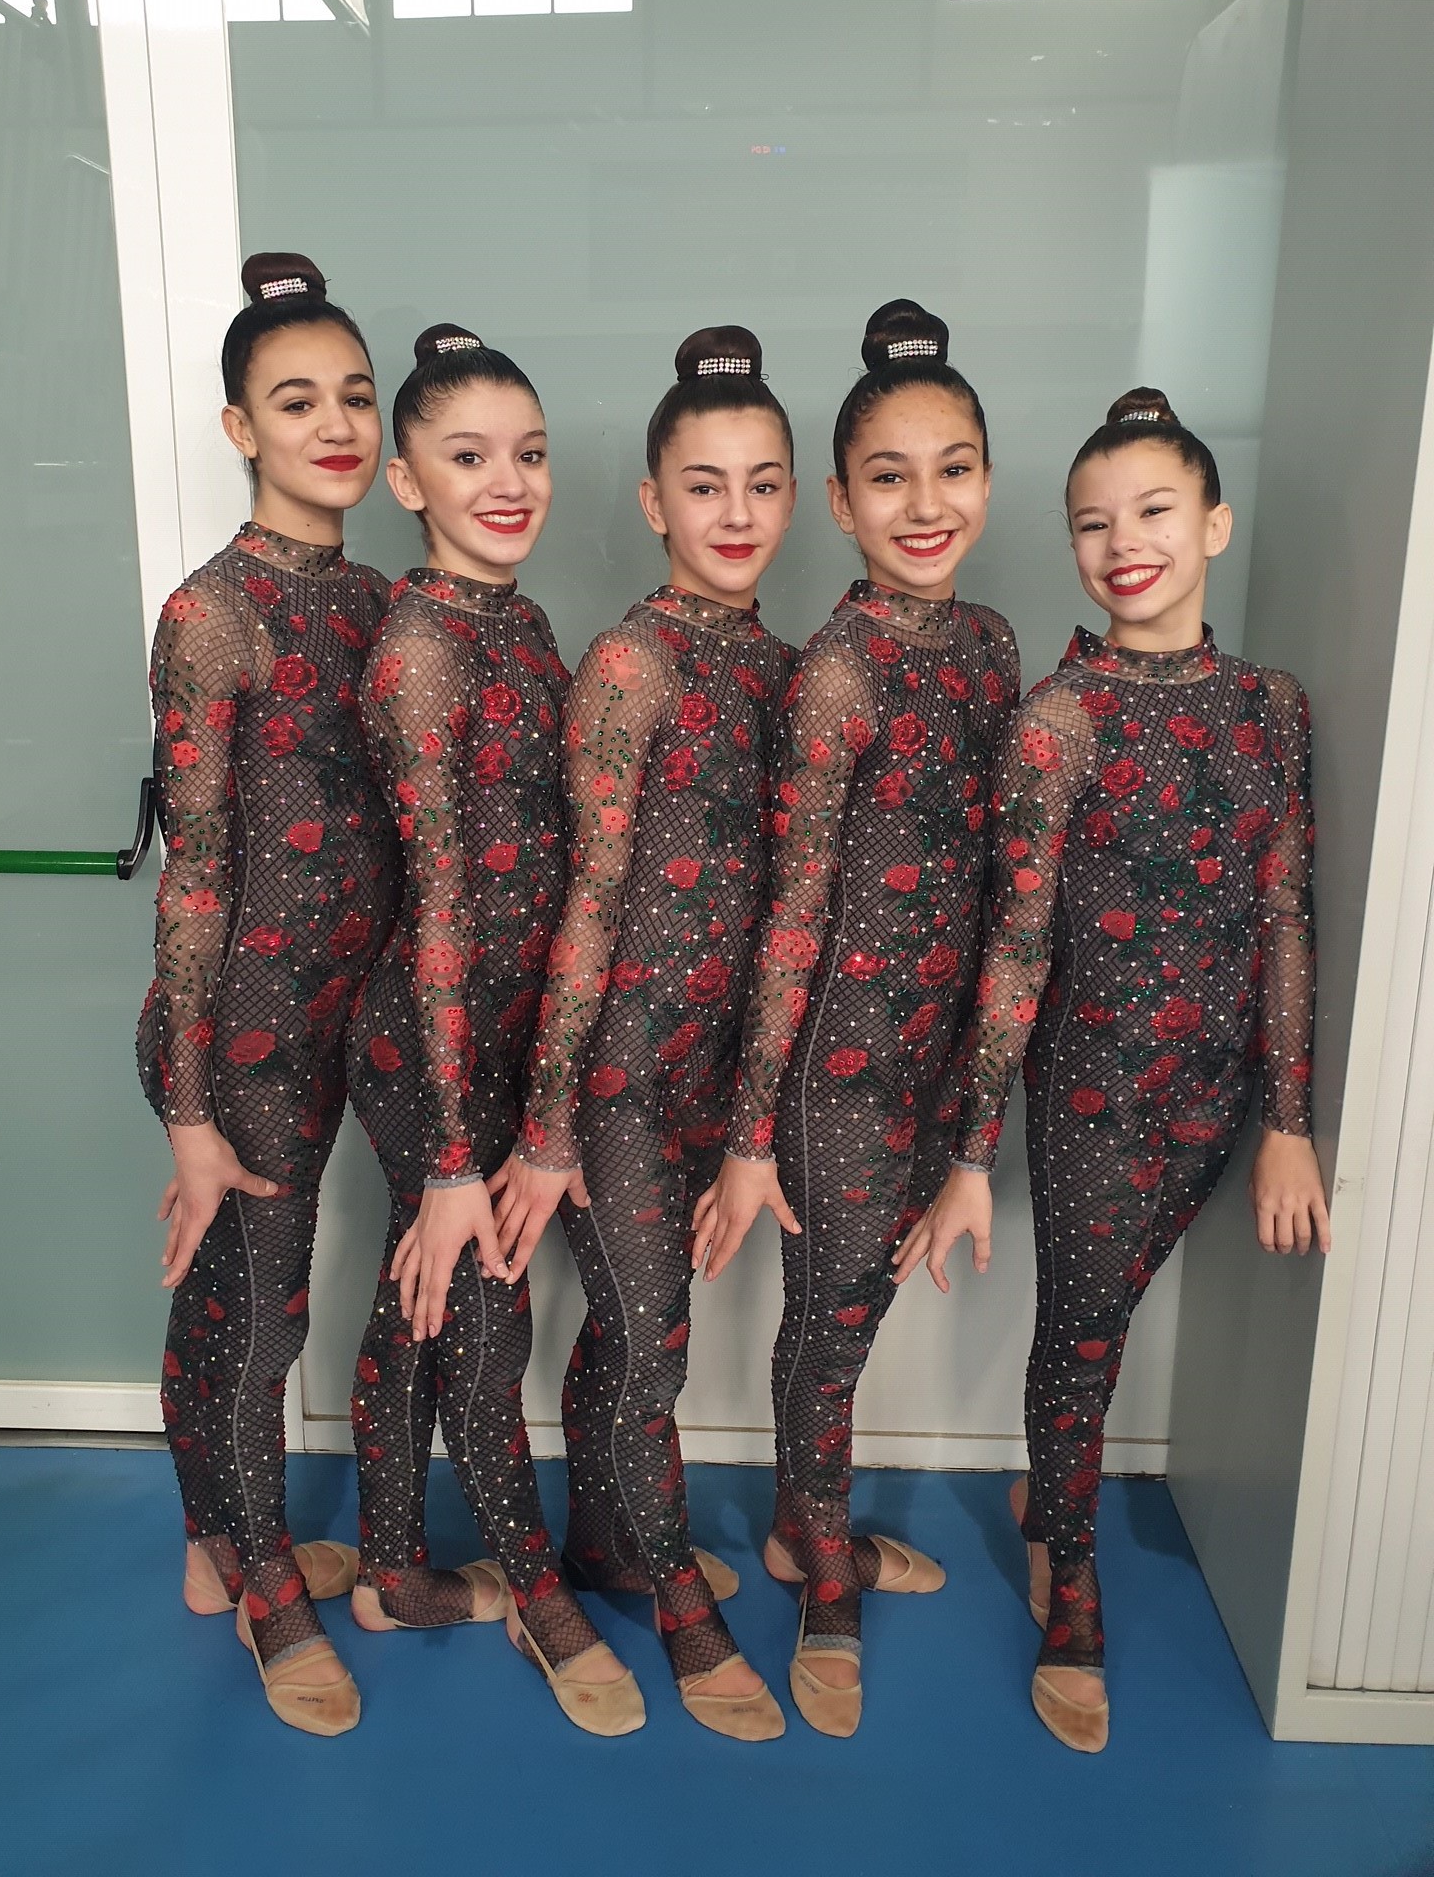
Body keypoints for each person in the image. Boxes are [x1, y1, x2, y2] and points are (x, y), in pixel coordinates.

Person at [900, 387, 1329, 1752]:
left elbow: (1284, 912)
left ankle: (1051, 1484)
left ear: (1214, 523)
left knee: (1115, 1317)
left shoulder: (1271, 706)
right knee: (1081, 1334)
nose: (1123, 543)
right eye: (1093, 524)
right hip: (1092, 1090)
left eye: (1152, 511)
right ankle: (1069, 1575)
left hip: (1218, 1098)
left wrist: (1288, 1120)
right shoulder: (1057, 721)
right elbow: (1015, 947)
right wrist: (972, 1155)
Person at [694, 301, 1020, 1736]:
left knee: (866, 1304)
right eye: (890, 477)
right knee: (827, 1328)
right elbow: (793, 913)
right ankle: (820, 1570)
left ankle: (795, 1523)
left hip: (942, 1050)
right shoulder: (835, 671)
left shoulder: (993, 644)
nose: (925, 503)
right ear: (840, 502)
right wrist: (754, 1129)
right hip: (836, 1060)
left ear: (988, 480)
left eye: (953, 469)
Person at [489, 326, 796, 1740]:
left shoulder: (783, 665)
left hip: (715, 1064)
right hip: (615, 1066)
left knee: (632, 1329)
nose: (736, 515)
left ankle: (609, 1542)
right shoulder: (628, 662)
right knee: (652, 1340)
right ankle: (675, 1601)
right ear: (654, 501)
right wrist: (550, 1123)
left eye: (762, 485)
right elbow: (591, 902)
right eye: (705, 486)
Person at [345, 325, 643, 1738]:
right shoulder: (417, 652)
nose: (508, 482)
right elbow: (441, 908)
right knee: (479, 1302)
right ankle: (534, 1591)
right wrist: (458, 1154)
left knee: (416, 1294)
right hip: (428, 1039)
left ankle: (391, 1570)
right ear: (407, 480)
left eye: (527, 454)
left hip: (508, 1025)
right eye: (469, 458)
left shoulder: (517, 625)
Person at [139, 253, 395, 1735]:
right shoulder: (212, 615)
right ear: (242, 429)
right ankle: (263, 1591)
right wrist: (188, 1109)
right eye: (297, 403)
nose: (335, 426)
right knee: (258, 1317)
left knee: (238, 1305)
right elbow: (193, 877)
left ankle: (213, 1540)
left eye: (355, 397)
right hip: (238, 1031)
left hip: (359, 1012)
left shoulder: (382, 602)